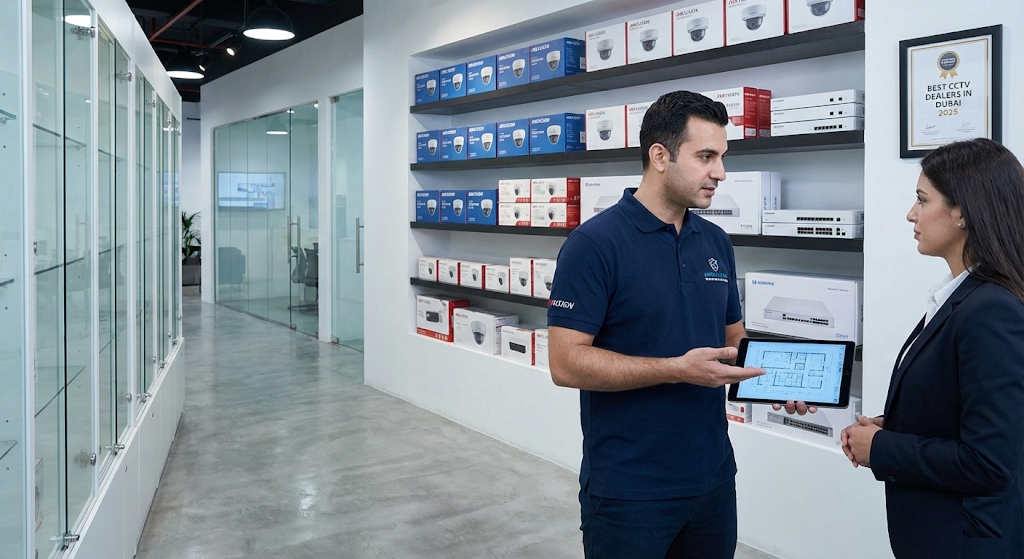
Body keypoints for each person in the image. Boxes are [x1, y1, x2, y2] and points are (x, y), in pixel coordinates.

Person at [546, 90, 773, 559]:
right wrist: (676, 368)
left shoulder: (714, 241)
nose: (721, 173)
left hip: (712, 479)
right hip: (630, 489)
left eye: (722, 157)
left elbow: (733, 339)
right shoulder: (594, 244)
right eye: (706, 157)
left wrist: (775, 378)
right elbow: (566, 364)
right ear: (660, 156)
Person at [843, 138, 1024, 559]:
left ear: (962, 211)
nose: (911, 213)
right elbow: (962, 406)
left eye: (922, 200)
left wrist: (883, 448)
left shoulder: (991, 310)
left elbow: (989, 462)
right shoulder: (963, 297)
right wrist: (894, 425)